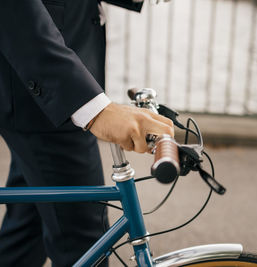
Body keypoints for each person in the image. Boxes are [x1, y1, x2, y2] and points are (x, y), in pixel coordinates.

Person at [0, 1, 174, 266]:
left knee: (26, 231)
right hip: (46, 98)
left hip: (39, 92)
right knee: (84, 243)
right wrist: (93, 108)